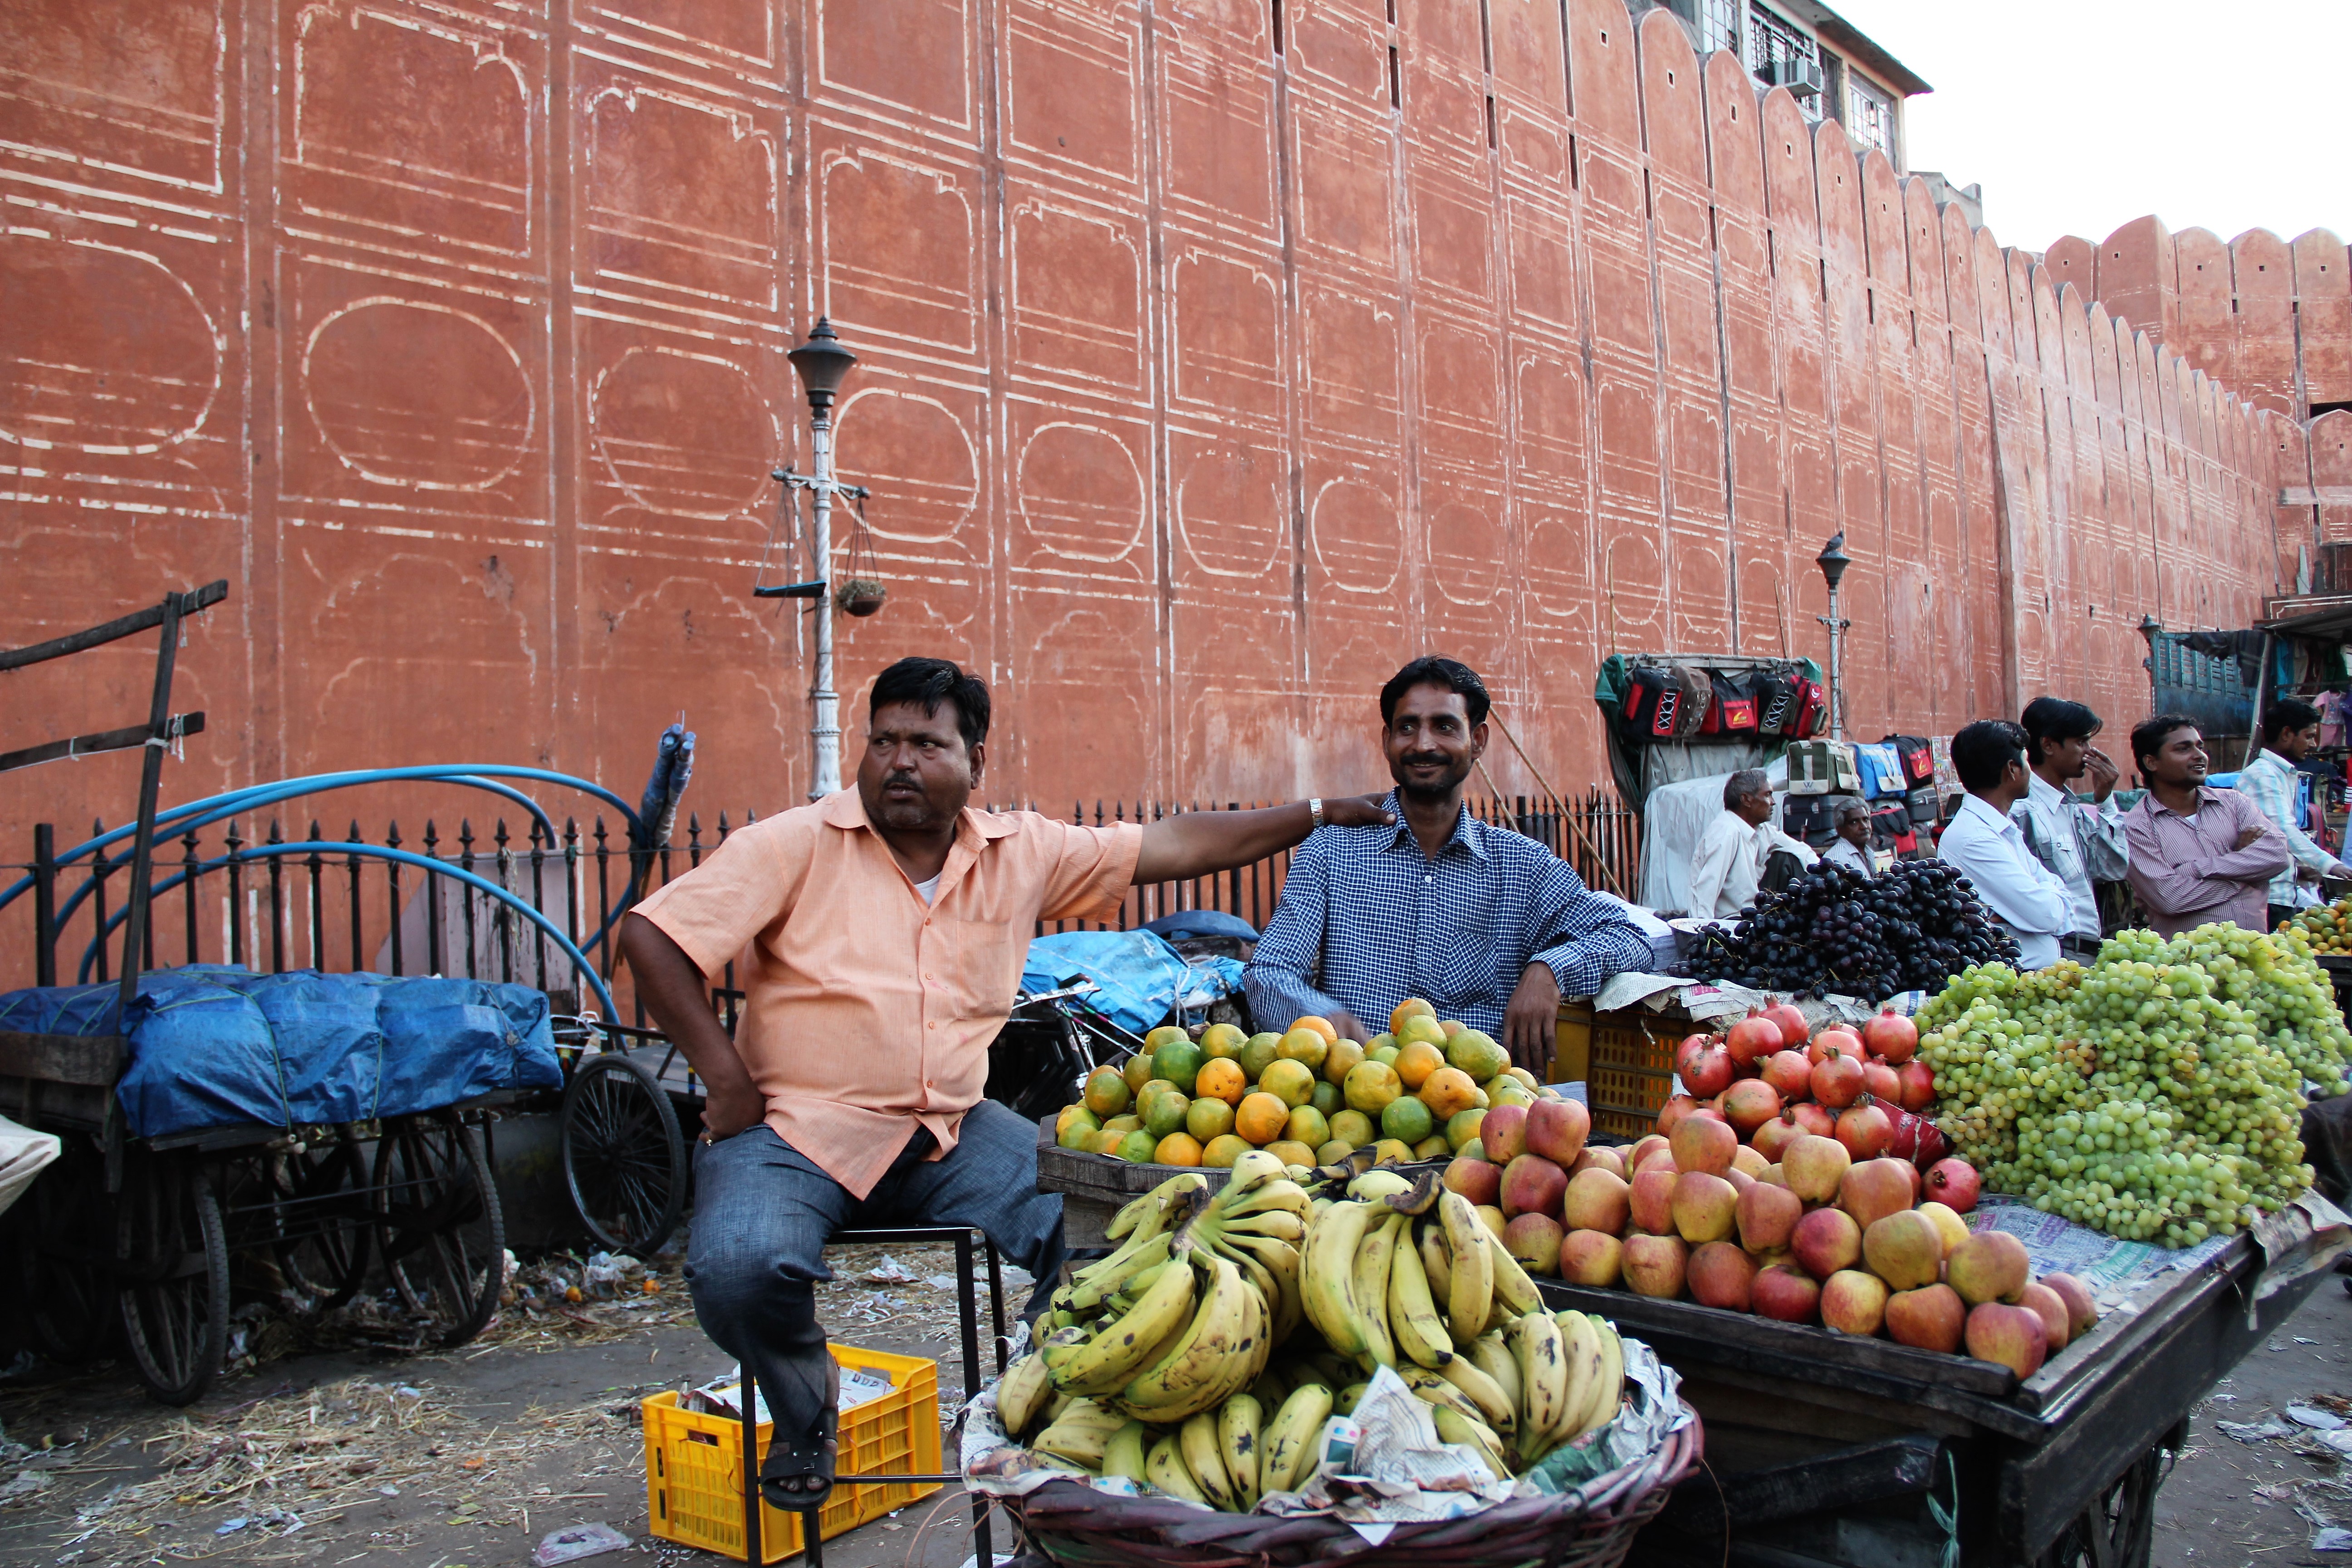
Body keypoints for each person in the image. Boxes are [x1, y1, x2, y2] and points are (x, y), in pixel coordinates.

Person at [617, 657, 1394, 1512]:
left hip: (949, 1127)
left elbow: (1174, 844)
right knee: (736, 1269)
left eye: (924, 742)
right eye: (882, 741)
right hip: (794, 1131)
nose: (898, 762)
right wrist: (724, 1082)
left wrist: (1319, 813)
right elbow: (653, 937)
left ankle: (1046, 1385)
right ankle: (806, 1408)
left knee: (1117, 1226)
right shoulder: (794, 843)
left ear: (974, 761)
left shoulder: (1019, 851)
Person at [1244, 657, 1651, 1073]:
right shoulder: (1331, 852)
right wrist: (1321, 1015)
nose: (1423, 745)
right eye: (1407, 727)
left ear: (1477, 740)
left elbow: (1630, 938)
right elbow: (1269, 972)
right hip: (1354, 1105)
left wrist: (1550, 970)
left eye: (1444, 726)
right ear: (1387, 740)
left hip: (1480, 1112)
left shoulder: (1522, 866)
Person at [2120, 714, 2291, 937]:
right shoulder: (2137, 827)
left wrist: (2196, 869)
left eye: (2200, 747)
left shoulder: (2234, 803)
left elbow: (2279, 855)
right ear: (2152, 762)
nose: (2199, 756)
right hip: (2189, 964)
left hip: (2253, 955)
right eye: (2183, 749)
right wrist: (2247, 873)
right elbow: (2171, 899)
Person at [1936, 720, 2073, 969]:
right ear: (2012, 769)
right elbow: (2047, 914)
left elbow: (2053, 899)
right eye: (2027, 761)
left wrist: (2036, 905)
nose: (2031, 770)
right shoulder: (1974, 838)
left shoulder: (2001, 828)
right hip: (2007, 986)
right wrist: (2048, 896)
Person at [2014, 696, 2130, 962]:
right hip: (2052, 954)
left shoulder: (2071, 808)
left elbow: (2113, 868)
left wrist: (2105, 801)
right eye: (2081, 743)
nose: (2090, 752)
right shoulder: (2023, 810)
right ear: (2048, 745)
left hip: (2085, 950)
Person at [2235, 699, 2352, 930]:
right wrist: (2331, 865)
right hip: (2269, 898)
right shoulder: (2263, 776)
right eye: (2309, 736)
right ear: (2287, 734)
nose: (2314, 744)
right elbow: (2281, 831)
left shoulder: (2283, 774)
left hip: (2283, 894)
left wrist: (2299, 868)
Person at [1689, 769, 1818, 920]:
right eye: (1768, 795)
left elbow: (1801, 850)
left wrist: (1829, 876)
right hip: (1732, 923)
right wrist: (1704, 935)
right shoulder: (1726, 832)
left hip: (1755, 915)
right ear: (1747, 800)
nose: (1773, 802)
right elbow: (1704, 894)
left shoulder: (1761, 830)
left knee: (1792, 860)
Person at [1822, 798, 1876, 878]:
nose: (1864, 827)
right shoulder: (1837, 861)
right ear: (1840, 830)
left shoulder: (1868, 852)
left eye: (1866, 820)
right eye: (1854, 822)